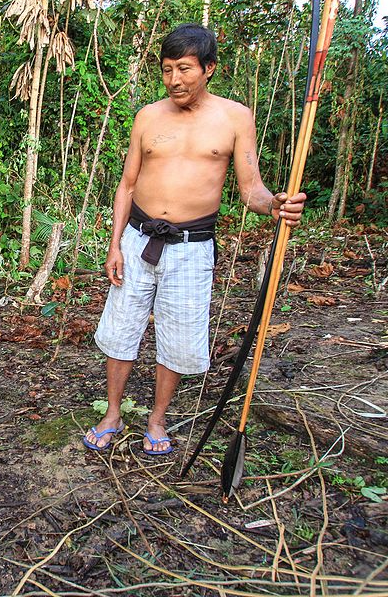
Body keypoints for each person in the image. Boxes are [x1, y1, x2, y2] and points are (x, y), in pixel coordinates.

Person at [84, 24, 307, 455]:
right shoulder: (148, 116)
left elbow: (250, 189)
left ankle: (157, 418)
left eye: (184, 68)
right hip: (138, 237)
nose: (174, 80)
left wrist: (274, 205)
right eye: (167, 70)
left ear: (209, 69)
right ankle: (112, 412)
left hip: (192, 246)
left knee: (180, 334)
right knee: (121, 329)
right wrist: (114, 243)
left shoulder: (235, 117)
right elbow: (127, 185)